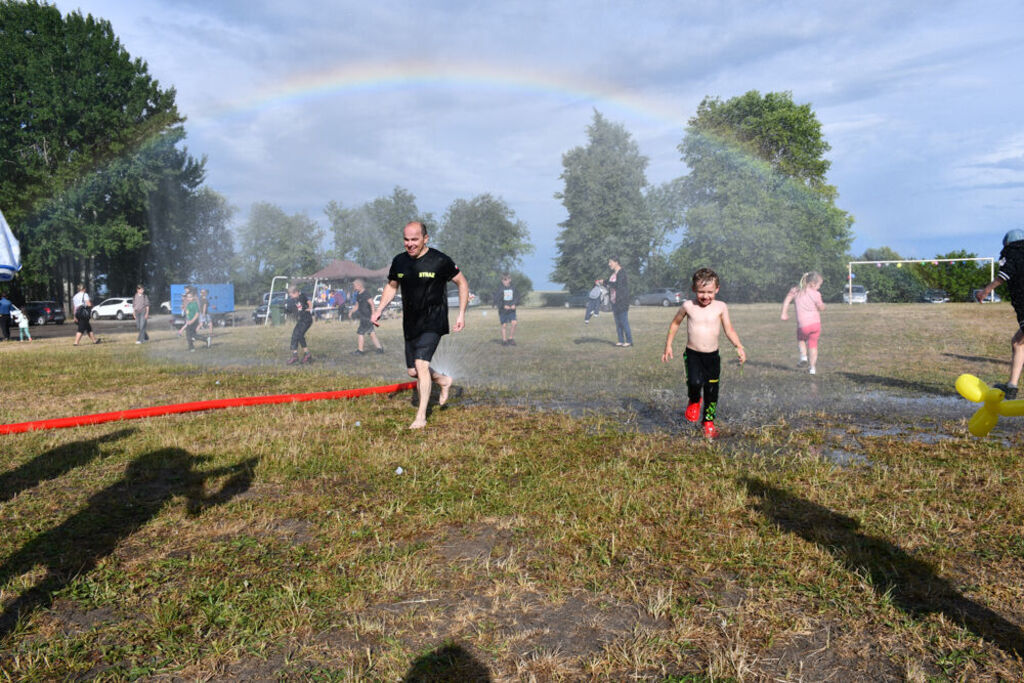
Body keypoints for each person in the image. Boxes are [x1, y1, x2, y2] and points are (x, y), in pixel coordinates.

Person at [372, 220, 469, 429]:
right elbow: (391, 286)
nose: (410, 244)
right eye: (406, 240)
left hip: (434, 320)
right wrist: (379, 309)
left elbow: (462, 282)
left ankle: (421, 416)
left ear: (425, 239)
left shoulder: (440, 260)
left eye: (414, 239)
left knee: (422, 364)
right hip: (411, 322)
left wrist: (461, 313)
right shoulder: (399, 261)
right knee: (413, 371)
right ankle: (443, 381)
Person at [661, 267, 746, 439]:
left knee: (711, 390)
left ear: (717, 290)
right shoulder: (688, 306)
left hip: (712, 357)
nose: (705, 296)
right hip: (693, 355)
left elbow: (729, 329)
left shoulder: (721, 307)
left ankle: (708, 422)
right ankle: (694, 400)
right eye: (701, 292)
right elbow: (675, 324)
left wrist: (738, 346)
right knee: (694, 382)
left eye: (709, 292)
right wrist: (668, 346)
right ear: (694, 289)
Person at [975, 228, 1024, 399]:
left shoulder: (1015, 254)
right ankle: (1011, 387)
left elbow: (1005, 273)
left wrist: (986, 290)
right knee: (1018, 343)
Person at [780, 272, 826, 374]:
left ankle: (803, 357)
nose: (819, 287)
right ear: (813, 284)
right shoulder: (816, 294)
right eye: (819, 285)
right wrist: (823, 307)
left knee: (801, 339)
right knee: (813, 345)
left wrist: (784, 313)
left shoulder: (796, 290)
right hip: (816, 325)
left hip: (803, 325)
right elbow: (821, 307)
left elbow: (787, 300)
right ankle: (812, 368)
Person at [349, 278, 384, 355]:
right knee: (371, 333)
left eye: (354, 286)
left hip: (367, 317)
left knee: (360, 332)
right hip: (363, 317)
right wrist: (351, 311)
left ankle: (360, 351)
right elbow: (357, 305)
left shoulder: (366, 293)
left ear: (359, 285)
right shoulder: (358, 294)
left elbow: (372, 304)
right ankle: (380, 349)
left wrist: (373, 315)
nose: (354, 287)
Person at [284, 285, 313, 364]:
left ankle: (296, 357)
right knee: (297, 336)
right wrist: (286, 310)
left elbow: (309, 302)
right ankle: (306, 355)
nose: (291, 297)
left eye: (292, 295)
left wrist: (310, 308)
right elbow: (293, 310)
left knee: (297, 335)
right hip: (301, 320)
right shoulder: (294, 300)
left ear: (296, 292)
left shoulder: (302, 296)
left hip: (306, 319)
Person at [607, 257, 633, 347]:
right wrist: (603, 283)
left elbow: (618, 285)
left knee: (623, 321)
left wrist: (606, 282)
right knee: (618, 322)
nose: (609, 264)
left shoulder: (622, 273)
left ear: (616, 262)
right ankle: (621, 340)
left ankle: (629, 341)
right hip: (614, 301)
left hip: (622, 302)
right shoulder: (613, 274)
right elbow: (611, 285)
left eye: (610, 262)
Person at [496, 274, 519, 346]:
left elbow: (517, 297)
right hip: (503, 311)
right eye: (503, 279)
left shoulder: (513, 288)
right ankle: (504, 340)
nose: (504, 281)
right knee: (504, 325)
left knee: (514, 323)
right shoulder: (500, 289)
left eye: (506, 279)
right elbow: (497, 300)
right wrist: (503, 306)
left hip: (512, 310)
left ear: (510, 280)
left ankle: (511, 338)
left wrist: (514, 304)